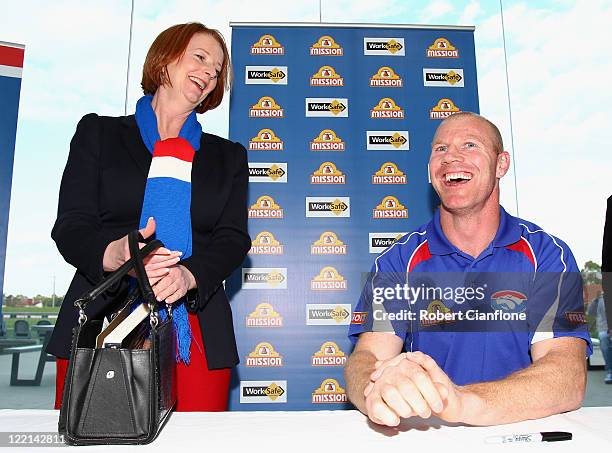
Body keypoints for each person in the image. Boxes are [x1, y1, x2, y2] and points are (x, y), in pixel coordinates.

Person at [47, 23, 250, 411]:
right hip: (103, 320)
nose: (209, 73)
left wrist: (187, 276)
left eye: (217, 69)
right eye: (200, 57)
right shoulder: (99, 134)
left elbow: (233, 238)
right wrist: (118, 254)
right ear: (165, 59)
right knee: (96, 433)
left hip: (194, 325)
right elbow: (71, 225)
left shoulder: (228, 157)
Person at [345, 112, 591, 426]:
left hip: (522, 433)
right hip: (431, 437)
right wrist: (377, 388)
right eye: (440, 149)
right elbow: (366, 359)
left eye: (470, 145)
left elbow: (565, 377)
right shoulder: (399, 259)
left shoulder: (546, 254)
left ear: (501, 164)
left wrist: (461, 401)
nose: (451, 158)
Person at [587, 292, 612, 383]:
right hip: (604, 328)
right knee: (604, 337)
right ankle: (610, 372)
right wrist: (595, 300)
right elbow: (591, 312)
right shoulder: (600, 299)